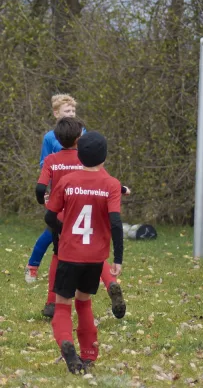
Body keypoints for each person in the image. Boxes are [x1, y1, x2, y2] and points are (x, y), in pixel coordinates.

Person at [45, 131, 124, 373]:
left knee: (62, 306)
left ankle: (66, 343)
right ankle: (88, 355)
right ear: (105, 156)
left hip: (69, 255)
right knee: (84, 303)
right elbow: (116, 223)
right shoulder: (111, 184)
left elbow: (50, 216)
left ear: (79, 155)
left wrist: (64, 228)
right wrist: (118, 258)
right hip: (95, 258)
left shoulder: (67, 181)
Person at [36, 118, 127, 320]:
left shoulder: (52, 160)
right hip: (90, 216)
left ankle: (52, 302)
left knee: (58, 256)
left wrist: (43, 201)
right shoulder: (85, 158)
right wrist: (122, 189)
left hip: (63, 217)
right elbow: (103, 180)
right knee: (95, 255)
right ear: (79, 139)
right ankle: (110, 282)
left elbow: (40, 188)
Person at [25, 94, 78, 283]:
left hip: (78, 192)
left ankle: (79, 271)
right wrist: (46, 188)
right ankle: (33, 265)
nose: (71, 114)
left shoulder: (82, 132)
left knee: (76, 232)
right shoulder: (50, 137)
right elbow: (44, 163)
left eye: (73, 110)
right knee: (52, 232)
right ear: (56, 114)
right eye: (67, 111)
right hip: (58, 193)